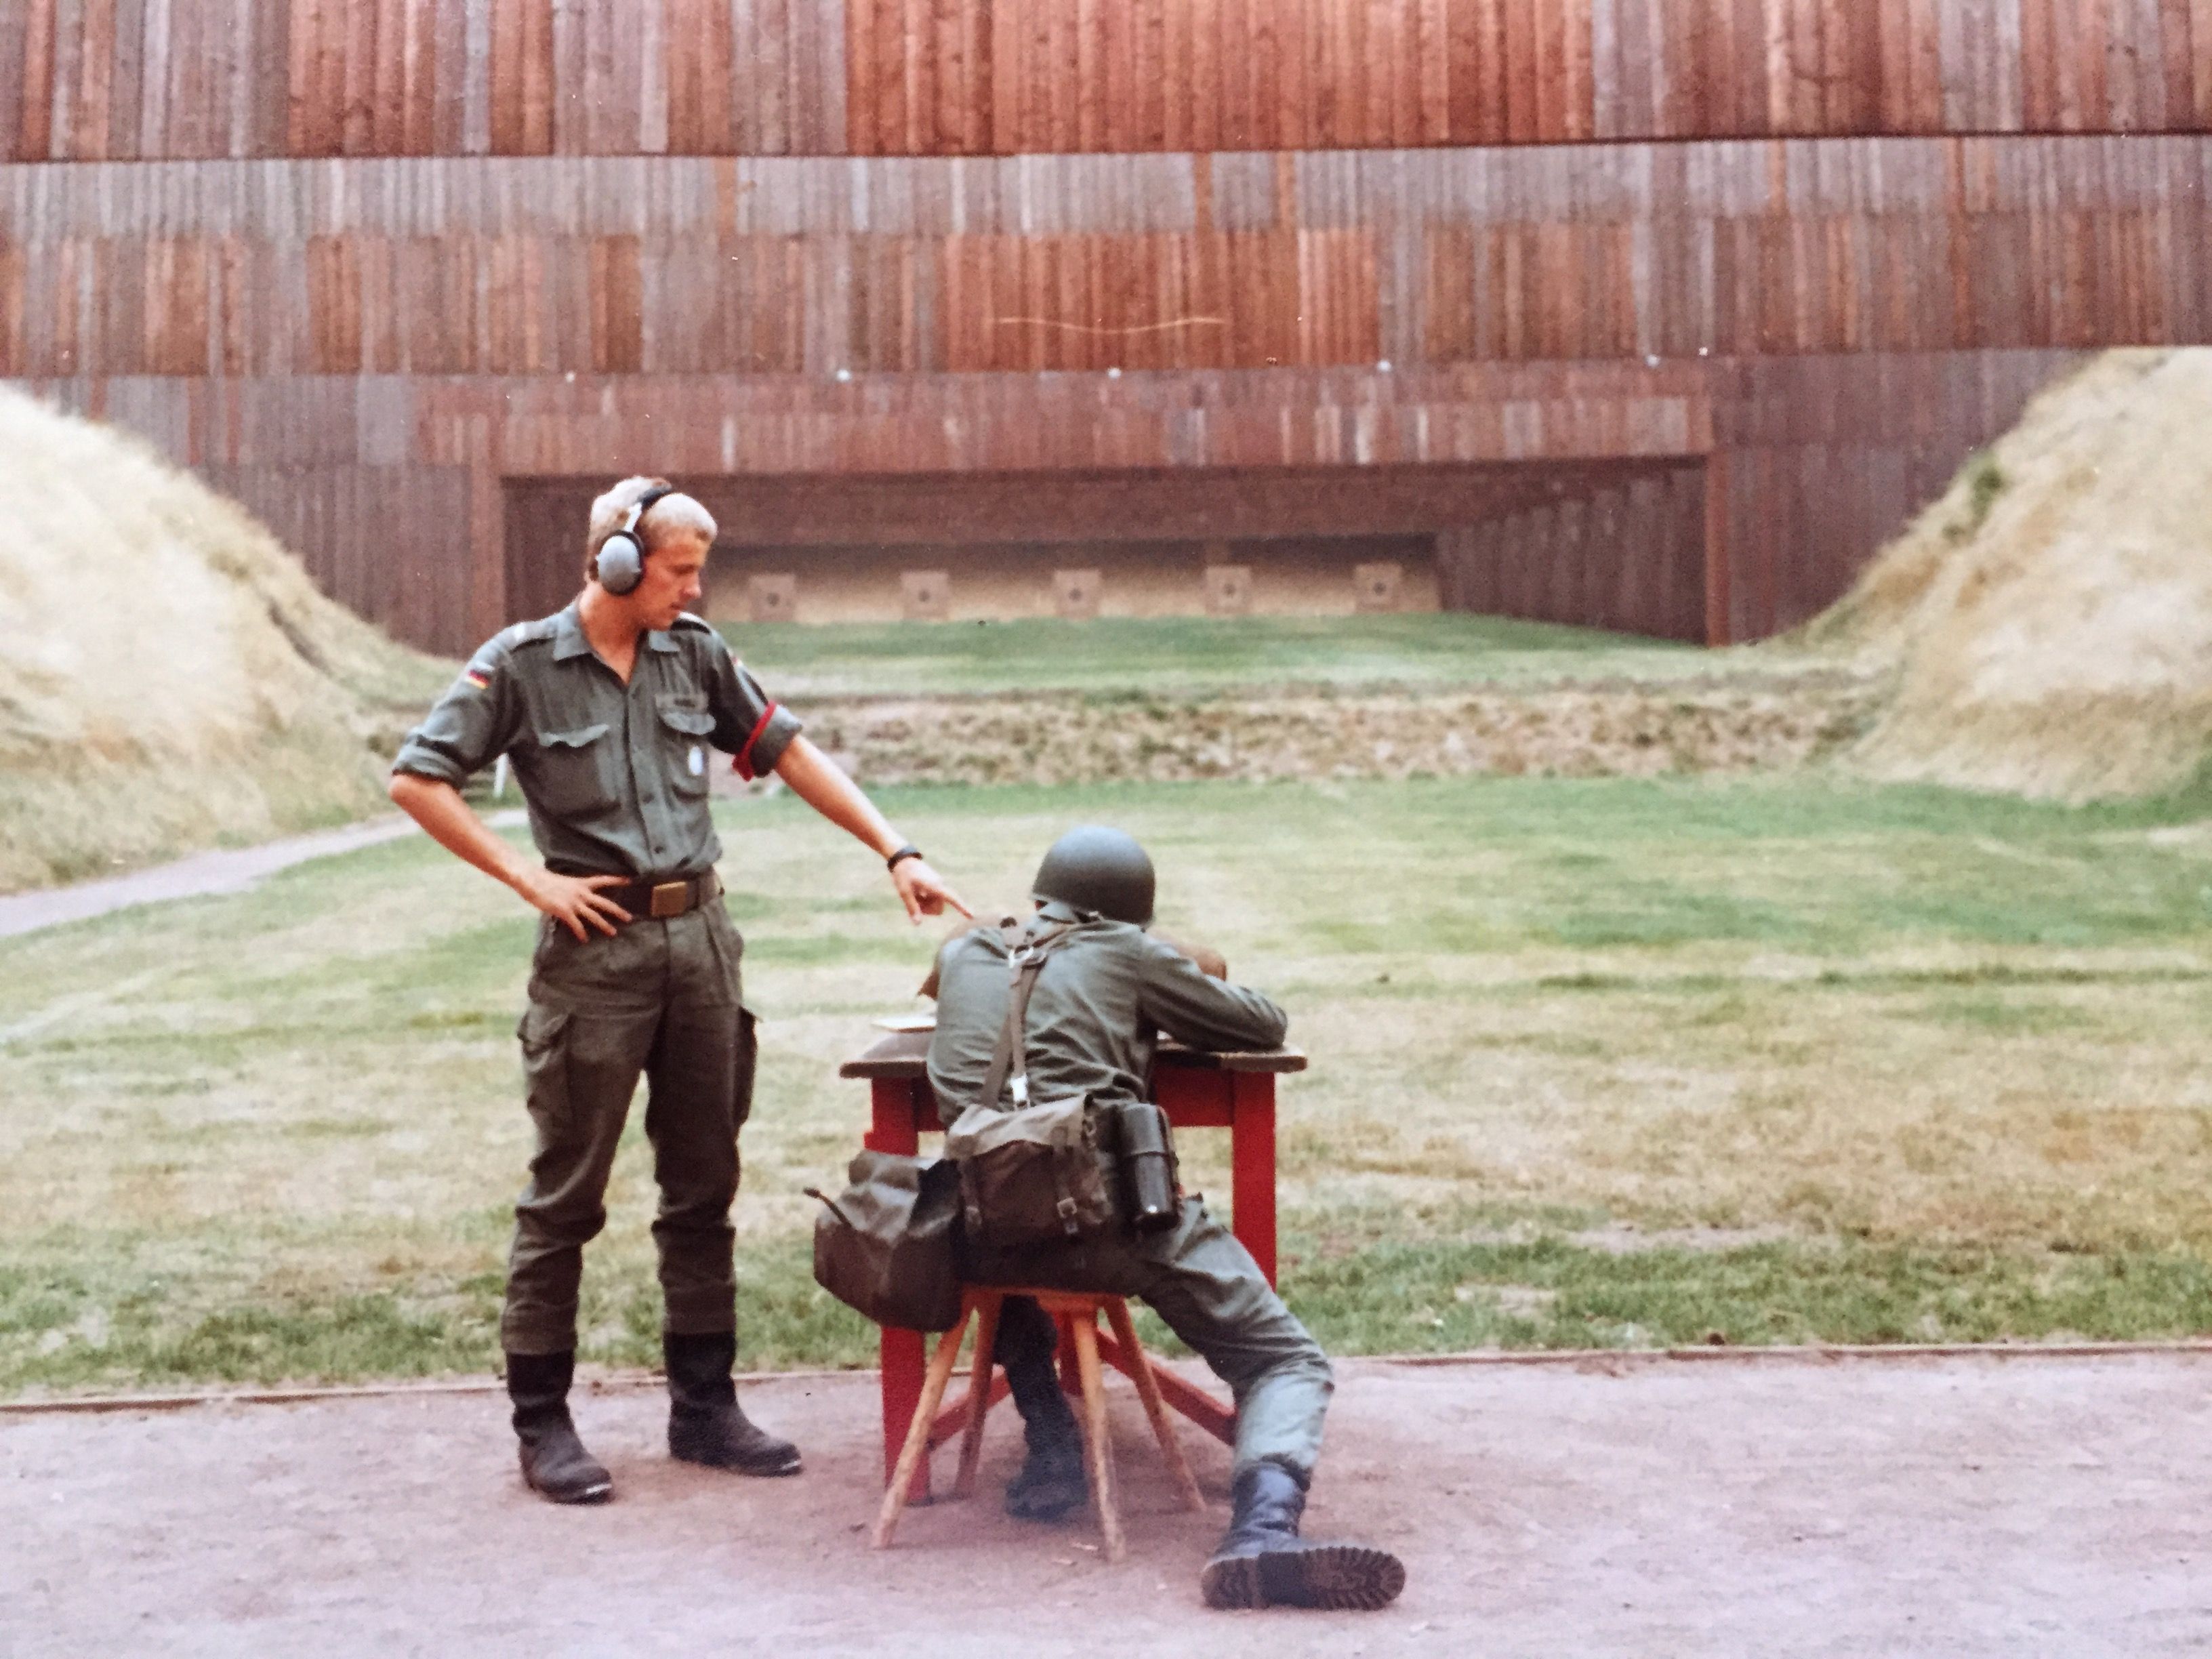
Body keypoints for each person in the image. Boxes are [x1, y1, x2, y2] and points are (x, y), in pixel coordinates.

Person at [388, 476, 968, 1505]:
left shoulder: (693, 655)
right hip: (594, 958)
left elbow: (790, 752)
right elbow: (416, 778)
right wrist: (529, 880)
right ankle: (543, 1426)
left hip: (701, 949)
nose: (695, 591)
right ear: (616, 562)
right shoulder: (520, 664)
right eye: (679, 572)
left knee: (704, 1189)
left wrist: (896, 849)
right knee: (565, 1198)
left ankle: (705, 1409)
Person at [924, 826, 1405, 1612]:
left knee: (1014, 1210)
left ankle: (1051, 1434)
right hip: (1106, 1228)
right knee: (1284, 1359)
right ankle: (1262, 1533)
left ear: (1043, 895)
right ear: (1128, 914)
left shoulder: (963, 951)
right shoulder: (1127, 951)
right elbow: (1263, 1023)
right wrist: (1158, 968)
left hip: (978, 1237)